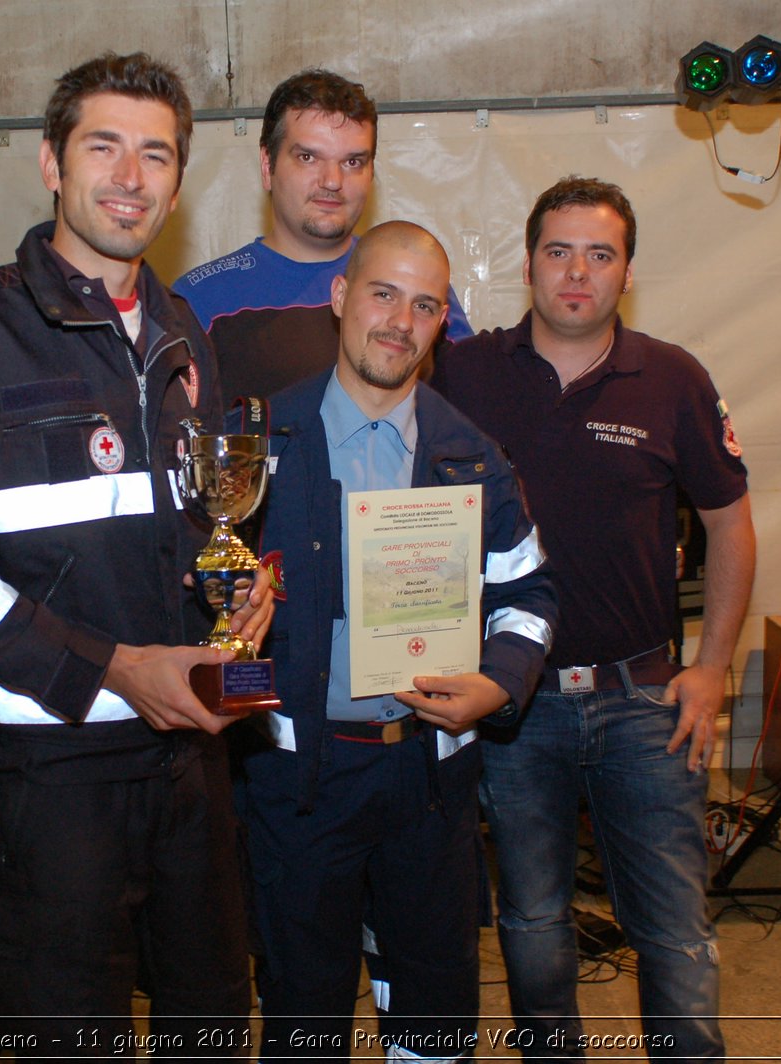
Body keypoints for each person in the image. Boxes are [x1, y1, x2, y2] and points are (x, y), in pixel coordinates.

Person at [0, 52, 265, 1054]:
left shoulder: (181, 332)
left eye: (157, 154)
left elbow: (186, 522)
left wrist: (241, 583)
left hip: (193, 764)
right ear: (50, 162)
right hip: (49, 777)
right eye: (104, 146)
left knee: (212, 1022)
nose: (131, 175)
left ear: (178, 181)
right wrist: (109, 670)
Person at [432, 177, 755, 1062]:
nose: (578, 273)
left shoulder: (673, 379)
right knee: (532, 925)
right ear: (528, 264)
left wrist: (714, 665)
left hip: (643, 700)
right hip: (512, 712)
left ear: (628, 271)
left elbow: (730, 527)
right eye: (559, 252)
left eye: (600, 255)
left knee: (675, 934)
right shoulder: (462, 373)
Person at [243, 221, 556, 1060]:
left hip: (430, 777)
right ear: (341, 297)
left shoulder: (473, 456)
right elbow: (195, 589)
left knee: (436, 1011)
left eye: (424, 306)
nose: (399, 322)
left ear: (440, 324)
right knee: (303, 1017)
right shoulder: (258, 444)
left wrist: (501, 682)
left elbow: (530, 593)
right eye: (383, 294)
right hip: (299, 781)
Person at [175, 69, 472, 402]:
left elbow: (467, 420)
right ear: (267, 164)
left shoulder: (418, 285)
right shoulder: (201, 301)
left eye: (352, 162)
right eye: (308, 157)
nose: (332, 181)